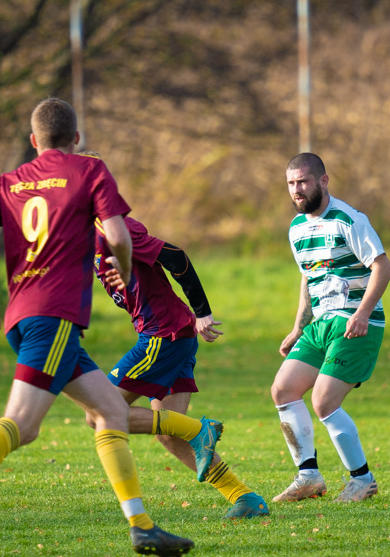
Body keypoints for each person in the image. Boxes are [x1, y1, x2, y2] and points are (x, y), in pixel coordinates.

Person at [0, 98, 194, 557]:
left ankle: (142, 528)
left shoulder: (7, 181)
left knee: (111, 412)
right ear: (77, 138)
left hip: (23, 316)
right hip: (55, 318)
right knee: (23, 426)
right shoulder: (89, 172)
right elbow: (120, 235)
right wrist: (124, 272)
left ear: (33, 141)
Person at [78, 151, 268, 519]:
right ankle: (245, 497)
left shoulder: (118, 230)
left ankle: (199, 430)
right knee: (167, 433)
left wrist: (203, 312)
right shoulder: (86, 237)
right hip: (173, 337)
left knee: (99, 413)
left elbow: (177, 257)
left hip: (162, 337)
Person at [270, 152, 390, 504]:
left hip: (355, 323)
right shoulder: (297, 229)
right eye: (291, 183)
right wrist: (297, 328)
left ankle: (362, 480)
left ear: (323, 181)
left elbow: (382, 268)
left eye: (303, 182)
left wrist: (363, 313)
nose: (297, 189)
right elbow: (309, 279)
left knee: (323, 401)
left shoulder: (348, 220)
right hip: (321, 323)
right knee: (284, 390)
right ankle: (308, 477)